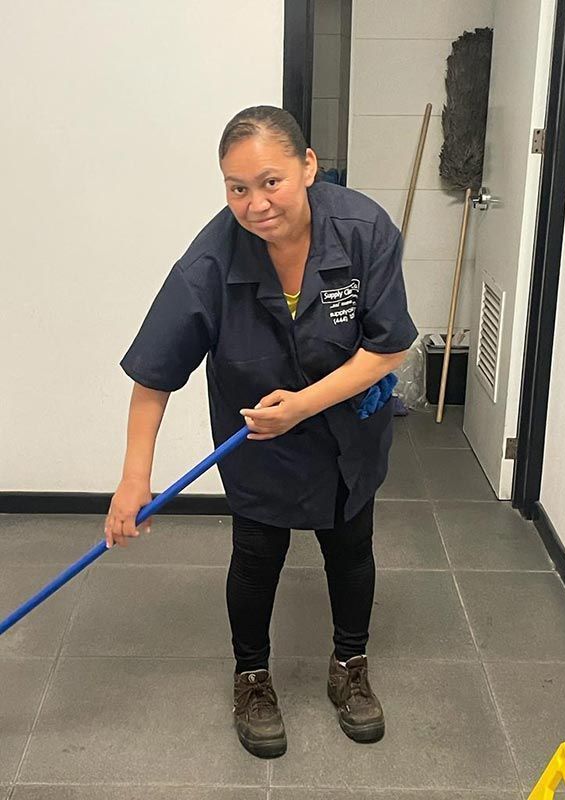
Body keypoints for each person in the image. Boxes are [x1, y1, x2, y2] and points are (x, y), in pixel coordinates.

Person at [105, 105, 418, 759]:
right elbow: (153, 377)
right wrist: (135, 478)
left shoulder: (363, 232)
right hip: (260, 448)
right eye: (237, 187)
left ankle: (350, 667)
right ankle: (251, 678)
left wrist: (304, 405)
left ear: (308, 167)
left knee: (349, 547)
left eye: (270, 181)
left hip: (346, 432)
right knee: (257, 555)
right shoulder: (208, 265)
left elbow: (388, 350)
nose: (255, 203)